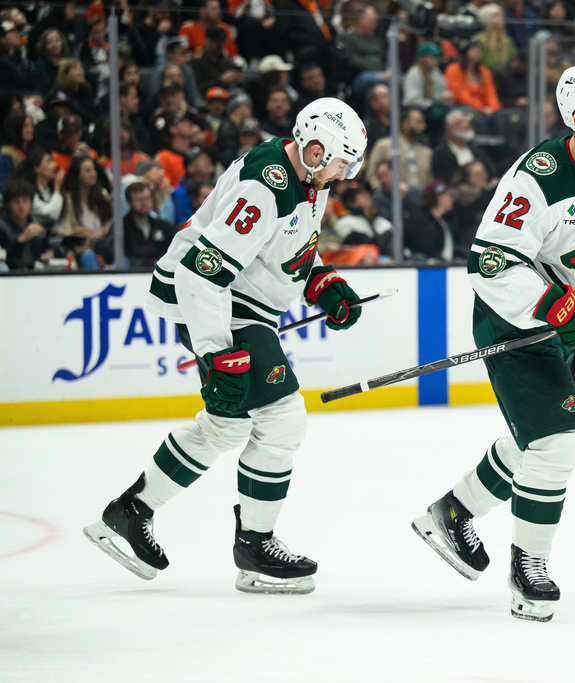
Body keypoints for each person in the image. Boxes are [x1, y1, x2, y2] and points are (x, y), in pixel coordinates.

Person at [83, 97, 371, 595]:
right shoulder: (267, 185)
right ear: (316, 147)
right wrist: (217, 353)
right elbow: (201, 271)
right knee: (283, 418)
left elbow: (290, 246)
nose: (345, 174)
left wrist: (320, 281)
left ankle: (130, 510)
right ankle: (255, 546)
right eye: (342, 162)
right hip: (216, 302)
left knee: (226, 425)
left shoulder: (309, 176)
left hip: (238, 299)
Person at [411, 61, 575, 622]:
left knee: (535, 442)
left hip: (569, 320)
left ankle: (451, 514)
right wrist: (559, 306)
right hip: (516, 321)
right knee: (558, 444)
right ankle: (529, 569)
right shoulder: (536, 175)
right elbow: (489, 263)